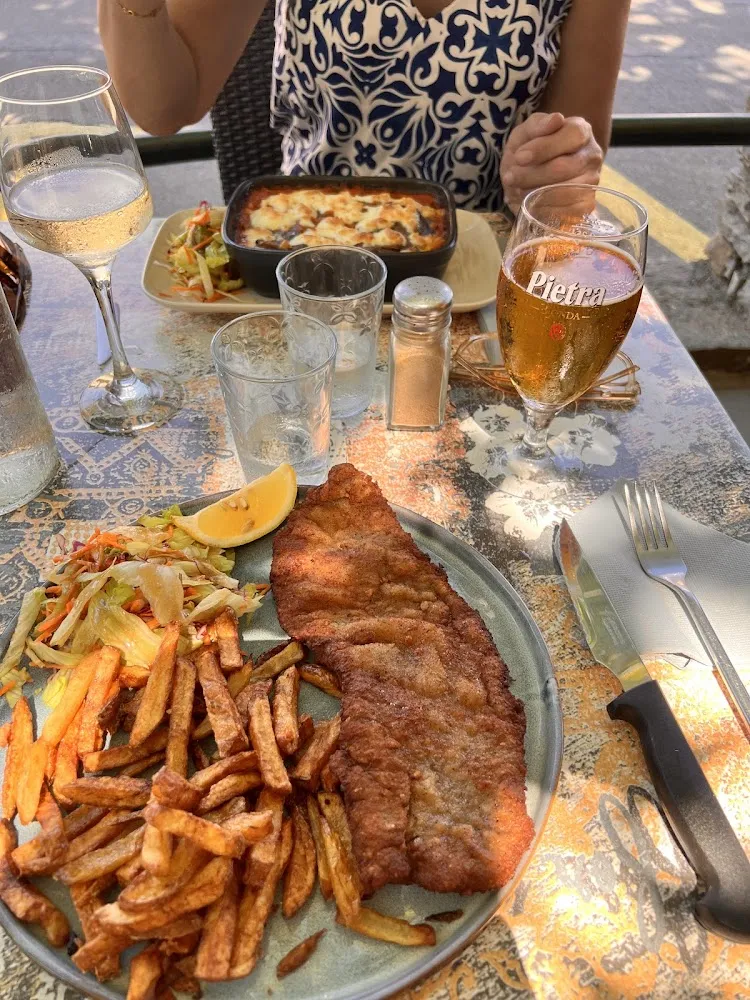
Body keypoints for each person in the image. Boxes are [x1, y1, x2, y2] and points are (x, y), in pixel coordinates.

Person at [99, 0, 630, 213]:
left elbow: (571, 167)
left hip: (478, 288)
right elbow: (163, 106)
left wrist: (548, 173)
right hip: (300, 253)